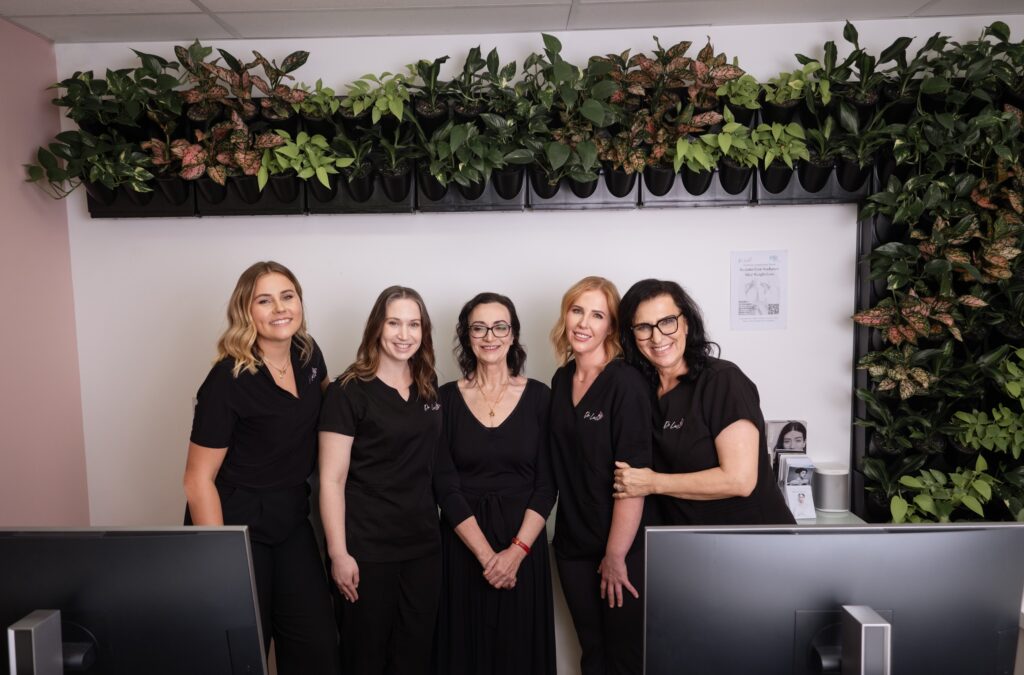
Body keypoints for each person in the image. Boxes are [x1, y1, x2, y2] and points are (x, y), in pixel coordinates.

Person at [183, 261, 338, 674]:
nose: (279, 308)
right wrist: (221, 562)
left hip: (290, 517)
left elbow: (334, 416)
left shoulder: (308, 354)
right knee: (242, 649)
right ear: (245, 311)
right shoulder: (226, 380)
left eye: (288, 296)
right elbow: (197, 481)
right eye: (264, 300)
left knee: (317, 645)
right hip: (236, 523)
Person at [318, 286, 442, 675]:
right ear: (376, 327)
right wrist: (339, 554)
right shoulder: (348, 391)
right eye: (394, 323)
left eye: (413, 324)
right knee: (365, 656)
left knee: (415, 655)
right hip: (367, 549)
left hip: (423, 547)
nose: (404, 334)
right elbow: (331, 480)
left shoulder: (427, 384)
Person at [434, 292, 556, 675]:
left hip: (524, 547)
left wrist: (515, 553)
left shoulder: (540, 397)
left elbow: (547, 483)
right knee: (463, 655)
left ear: (514, 334)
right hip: (463, 547)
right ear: (466, 335)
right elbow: (444, 484)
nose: (490, 335)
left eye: (500, 326)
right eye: (479, 327)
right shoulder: (445, 399)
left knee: (519, 655)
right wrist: (489, 558)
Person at [614, 279, 794, 526]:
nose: (657, 337)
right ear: (631, 335)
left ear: (686, 323)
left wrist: (652, 483)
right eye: (643, 327)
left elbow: (739, 480)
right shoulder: (642, 390)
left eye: (667, 322)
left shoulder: (723, 381)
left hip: (754, 540)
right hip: (689, 544)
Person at [547, 276, 652, 675]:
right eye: (577, 311)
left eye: (597, 315)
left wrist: (615, 555)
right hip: (572, 546)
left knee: (624, 659)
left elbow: (633, 479)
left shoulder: (626, 384)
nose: (583, 323)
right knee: (592, 654)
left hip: (621, 549)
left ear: (612, 326)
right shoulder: (561, 381)